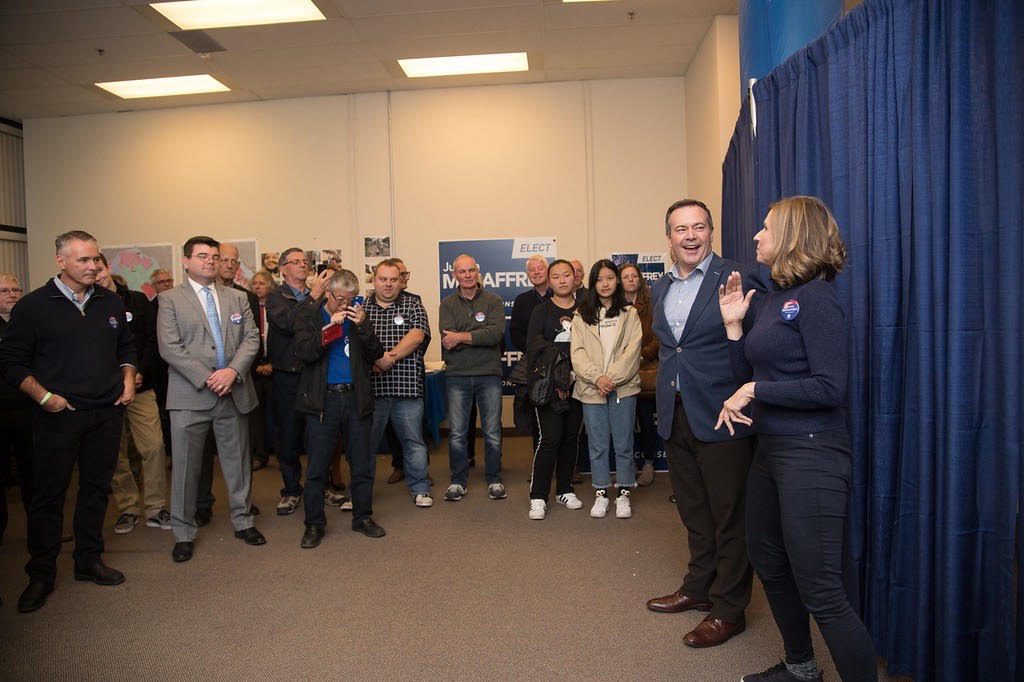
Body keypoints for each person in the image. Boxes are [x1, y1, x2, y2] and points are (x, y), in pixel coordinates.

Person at [717, 196, 877, 682]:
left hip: (813, 451)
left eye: (765, 229)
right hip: (772, 449)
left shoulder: (817, 298)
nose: (756, 237)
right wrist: (732, 327)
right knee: (768, 559)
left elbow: (831, 388)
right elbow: (744, 372)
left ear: (790, 237)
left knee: (822, 589)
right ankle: (802, 667)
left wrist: (755, 389)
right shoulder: (769, 300)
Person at [0, 231, 137, 613]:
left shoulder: (110, 301)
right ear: (61, 262)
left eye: (96, 259)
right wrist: (45, 397)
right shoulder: (32, 307)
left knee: (95, 492)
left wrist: (127, 379)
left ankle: (88, 561)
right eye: (83, 260)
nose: (93, 266)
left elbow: (126, 346)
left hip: (106, 413)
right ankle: (40, 573)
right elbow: (11, 362)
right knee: (48, 497)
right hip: (57, 416)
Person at [646, 199, 759, 649]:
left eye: (698, 227)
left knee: (730, 515)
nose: (689, 236)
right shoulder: (659, 286)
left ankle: (729, 609)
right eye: (680, 229)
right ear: (668, 237)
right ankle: (697, 589)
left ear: (711, 232)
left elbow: (756, 344)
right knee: (694, 510)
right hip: (676, 414)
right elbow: (674, 348)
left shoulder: (735, 277)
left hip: (723, 413)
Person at [157, 236, 263, 563]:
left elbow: (251, 338)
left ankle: (243, 521)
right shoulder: (170, 299)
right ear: (186, 261)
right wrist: (208, 377)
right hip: (191, 395)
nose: (210, 262)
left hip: (234, 390)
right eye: (202, 256)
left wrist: (231, 372)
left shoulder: (236, 298)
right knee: (186, 468)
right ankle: (183, 532)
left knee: (237, 463)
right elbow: (170, 347)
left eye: (214, 257)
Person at [292, 269, 385, 548]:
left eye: (352, 298)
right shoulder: (309, 315)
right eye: (341, 298)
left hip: (355, 399)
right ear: (328, 293)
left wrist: (365, 325)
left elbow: (376, 354)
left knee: (362, 464)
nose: (346, 304)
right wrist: (330, 329)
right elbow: (305, 353)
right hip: (324, 401)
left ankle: (363, 518)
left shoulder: (359, 318)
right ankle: (314, 524)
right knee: (318, 468)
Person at [94, 256, 170, 534]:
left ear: (108, 268)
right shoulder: (87, 305)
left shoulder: (137, 301)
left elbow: (152, 341)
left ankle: (156, 507)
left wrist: (138, 372)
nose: (95, 273)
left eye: (99, 267)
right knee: (116, 455)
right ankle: (128, 508)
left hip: (141, 386)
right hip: (105, 393)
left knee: (153, 447)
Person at [570, 259, 642, 519]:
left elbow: (632, 352)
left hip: (623, 388)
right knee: (598, 445)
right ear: (592, 283)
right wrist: (597, 378)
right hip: (592, 389)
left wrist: (610, 378)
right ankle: (601, 492)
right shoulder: (581, 315)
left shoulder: (629, 313)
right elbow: (576, 354)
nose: (605, 284)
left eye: (610, 278)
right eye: (599, 279)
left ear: (618, 280)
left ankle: (624, 492)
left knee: (623, 444)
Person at [265, 247, 334, 515]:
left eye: (305, 261)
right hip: (288, 376)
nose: (303, 265)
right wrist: (314, 296)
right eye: (296, 262)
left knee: (319, 435)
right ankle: (292, 490)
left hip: (316, 372)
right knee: (289, 436)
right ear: (283, 269)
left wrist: (320, 297)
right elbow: (290, 324)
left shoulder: (318, 295)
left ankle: (321, 485)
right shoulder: (275, 297)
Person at [364, 260, 433, 507]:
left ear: (400, 281)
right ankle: (360, 493)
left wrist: (386, 358)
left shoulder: (413, 303)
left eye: (393, 279)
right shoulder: (361, 307)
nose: (388, 284)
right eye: (383, 279)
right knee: (365, 445)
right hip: (372, 391)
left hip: (407, 389)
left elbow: (417, 336)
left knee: (414, 443)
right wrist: (375, 361)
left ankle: (421, 489)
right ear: (374, 280)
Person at [438, 254, 506, 502]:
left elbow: (495, 335)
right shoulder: (446, 304)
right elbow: (447, 338)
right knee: (457, 433)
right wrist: (476, 335)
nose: (467, 275)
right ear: (454, 275)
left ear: (477, 272)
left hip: (489, 375)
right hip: (457, 376)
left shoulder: (493, 301)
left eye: (470, 270)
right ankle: (458, 481)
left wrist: (461, 337)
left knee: (492, 431)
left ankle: (495, 479)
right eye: (461, 272)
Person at [524, 259, 584, 519]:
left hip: (580, 383)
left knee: (571, 438)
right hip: (549, 386)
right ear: (549, 281)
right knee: (549, 440)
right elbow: (535, 346)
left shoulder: (585, 309)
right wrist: (561, 375)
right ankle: (538, 496)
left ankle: (565, 489)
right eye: (556, 276)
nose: (562, 280)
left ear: (575, 279)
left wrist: (574, 374)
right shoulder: (541, 311)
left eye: (566, 275)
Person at [0, 273, 34, 547]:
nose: (12, 294)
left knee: (35, 477)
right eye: (5, 291)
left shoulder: (29, 324)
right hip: (1, 412)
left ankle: (42, 533)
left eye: (16, 289)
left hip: (29, 411)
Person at [620, 262, 660, 486]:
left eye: (634, 276)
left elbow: (658, 337)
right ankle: (626, 466)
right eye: (626, 277)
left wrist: (641, 356)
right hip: (620, 373)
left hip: (644, 368)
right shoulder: (613, 306)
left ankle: (648, 463)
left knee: (645, 420)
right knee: (623, 422)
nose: (631, 280)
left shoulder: (651, 304)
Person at [249, 270, 275, 470]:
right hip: (253, 367)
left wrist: (272, 364)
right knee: (255, 416)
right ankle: (260, 455)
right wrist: (255, 364)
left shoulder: (277, 306)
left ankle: (283, 455)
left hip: (276, 366)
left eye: (262, 283)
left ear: (270, 286)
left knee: (279, 415)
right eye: (255, 283)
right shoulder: (246, 308)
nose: (257, 286)